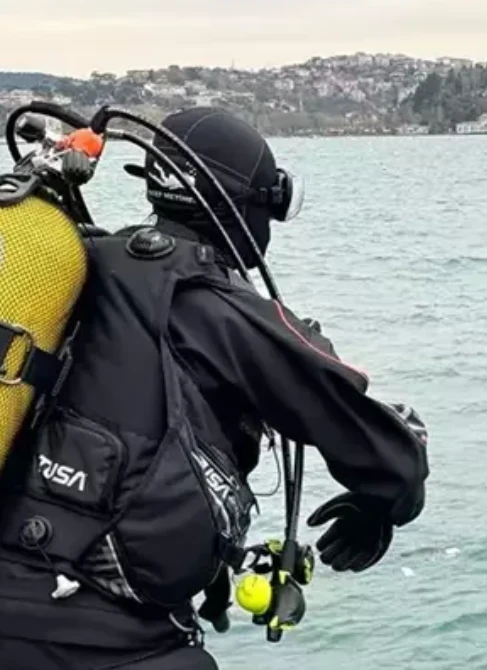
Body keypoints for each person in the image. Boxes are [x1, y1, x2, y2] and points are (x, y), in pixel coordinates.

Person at [0, 107, 431, 669]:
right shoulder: (221, 310)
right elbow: (369, 434)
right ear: (252, 205)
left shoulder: (83, 261)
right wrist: (389, 503)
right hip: (111, 639)